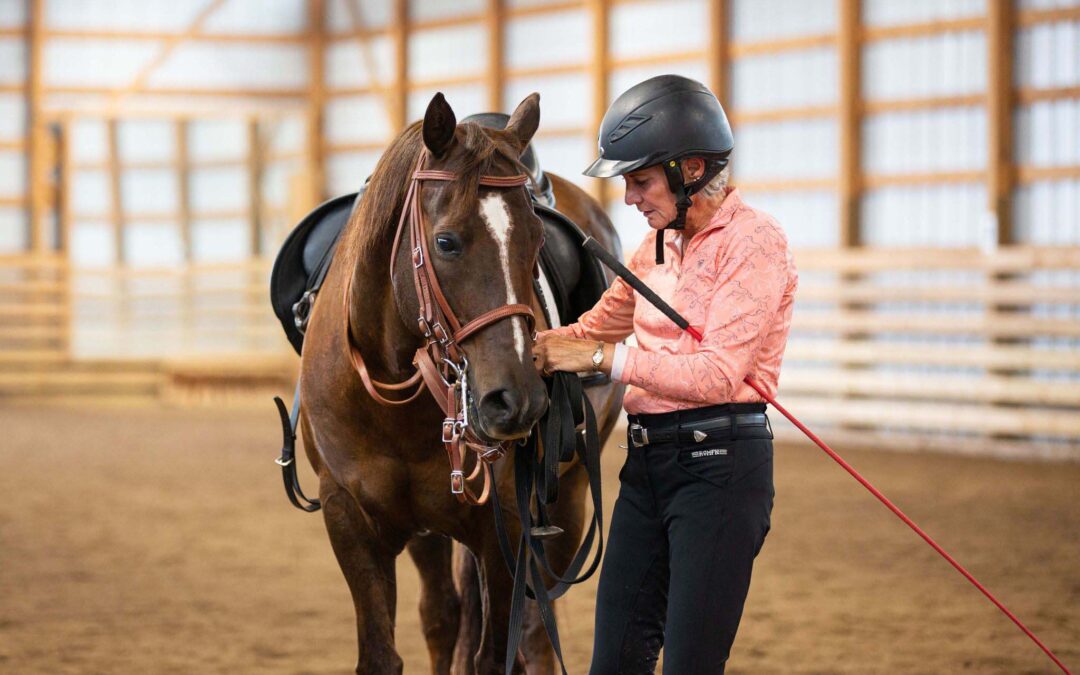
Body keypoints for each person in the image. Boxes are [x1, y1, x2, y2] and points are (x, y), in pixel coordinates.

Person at [532, 74, 798, 674]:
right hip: (648, 468)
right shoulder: (652, 249)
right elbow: (591, 331)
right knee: (615, 662)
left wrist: (603, 362)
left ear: (693, 169)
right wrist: (522, 347)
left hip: (721, 471)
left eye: (640, 180)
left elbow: (717, 376)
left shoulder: (756, 243)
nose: (629, 198)